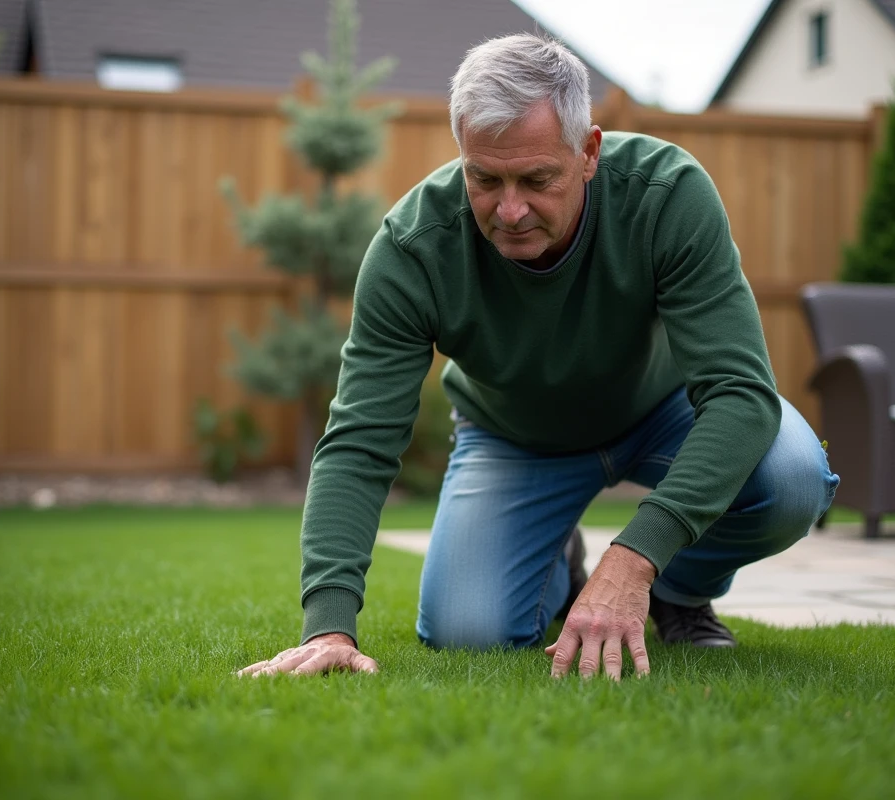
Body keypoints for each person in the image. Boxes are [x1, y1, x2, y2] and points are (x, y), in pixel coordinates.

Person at [238, 33, 839, 682]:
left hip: (664, 411)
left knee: (792, 480)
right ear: (462, 154)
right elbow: (360, 440)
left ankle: (677, 591)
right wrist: (328, 626)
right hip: (514, 438)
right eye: (484, 178)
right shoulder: (414, 249)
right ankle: (561, 561)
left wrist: (636, 556)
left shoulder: (667, 196)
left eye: (537, 179)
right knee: (470, 632)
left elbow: (740, 397)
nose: (511, 209)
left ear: (588, 153)